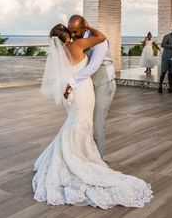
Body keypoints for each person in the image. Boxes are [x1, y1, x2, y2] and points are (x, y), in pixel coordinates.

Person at [34, 22, 153, 208]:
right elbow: (101, 38)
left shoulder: (61, 53)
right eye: (69, 32)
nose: (72, 34)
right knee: (82, 122)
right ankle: (79, 155)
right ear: (66, 36)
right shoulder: (77, 45)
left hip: (71, 91)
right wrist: (88, 25)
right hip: (82, 89)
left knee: (76, 121)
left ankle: (75, 151)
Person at [65, 15, 116, 158]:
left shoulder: (99, 40)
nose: (73, 35)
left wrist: (72, 83)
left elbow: (93, 66)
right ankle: (84, 155)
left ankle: (97, 160)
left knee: (98, 122)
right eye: (71, 31)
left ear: (83, 27)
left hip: (103, 83)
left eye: (75, 32)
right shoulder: (75, 38)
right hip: (87, 86)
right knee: (84, 119)